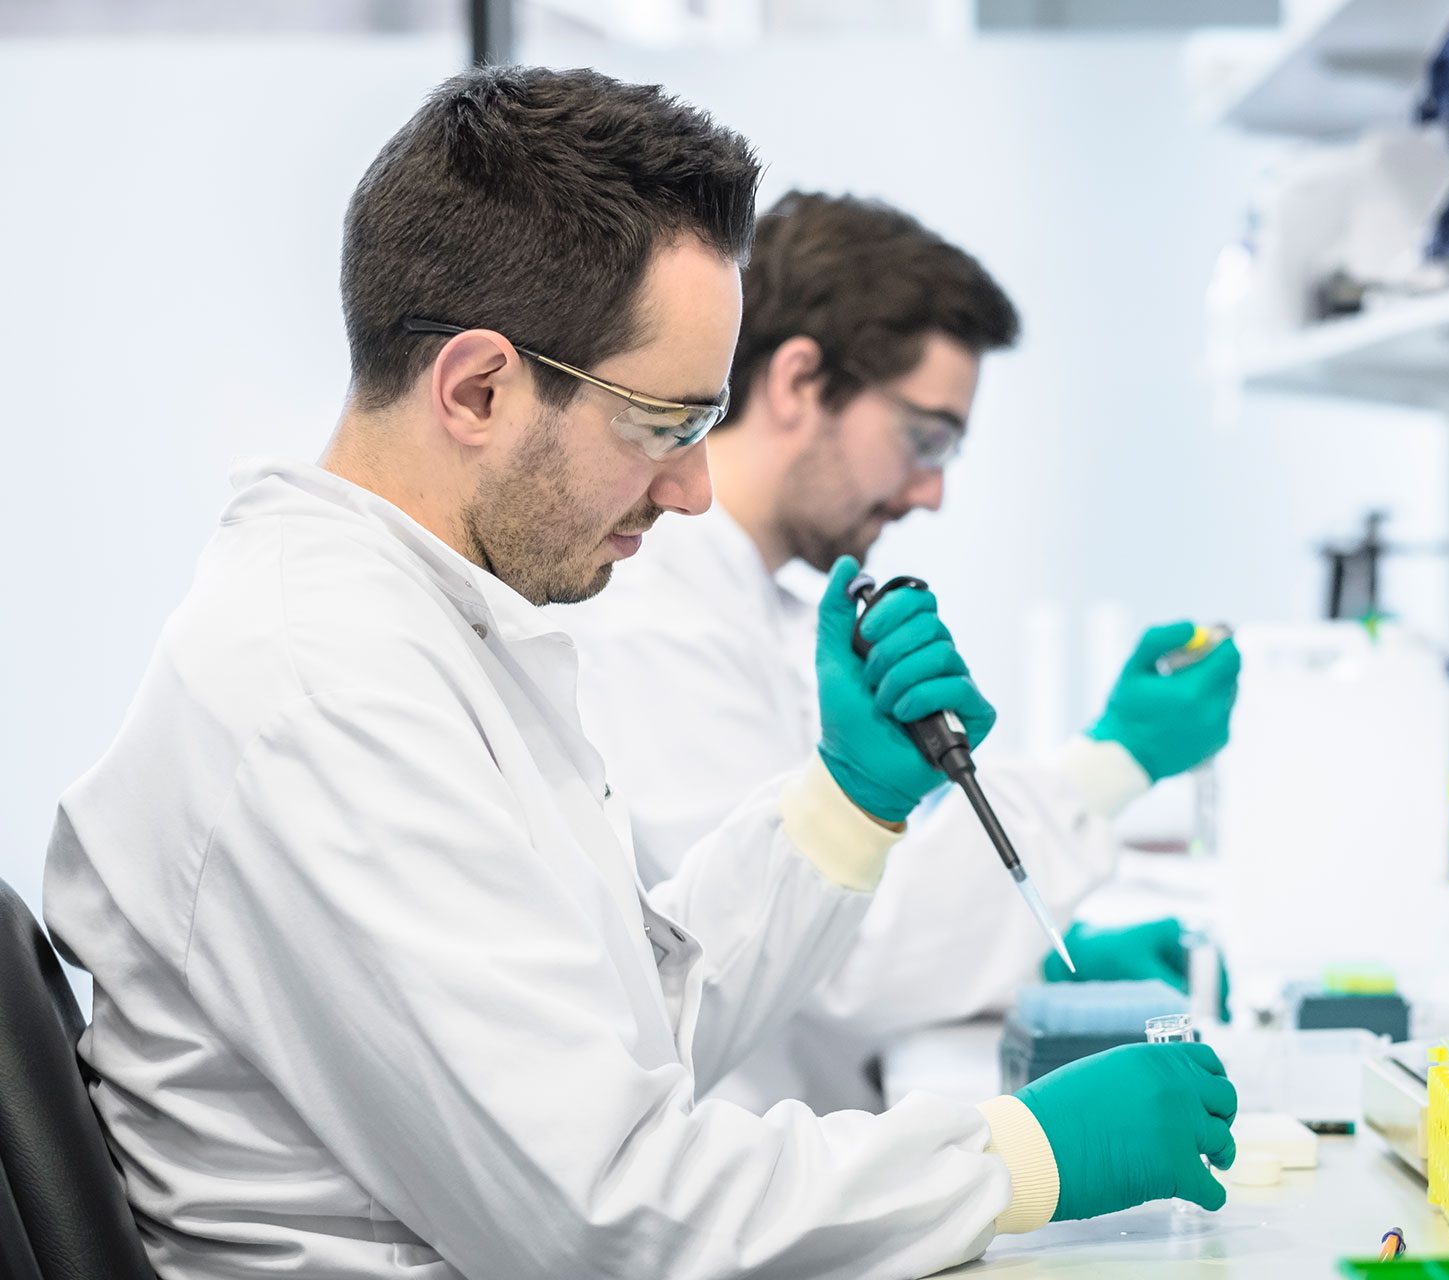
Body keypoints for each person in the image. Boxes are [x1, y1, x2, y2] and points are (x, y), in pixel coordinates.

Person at [41, 67, 1235, 1280]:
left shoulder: (431, 630)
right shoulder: (321, 687)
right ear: (478, 388)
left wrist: (844, 804)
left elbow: (625, 1039)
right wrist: (1011, 1157)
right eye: (663, 424)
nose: (695, 487)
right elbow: (602, 1211)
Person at [565, 191, 1244, 1113]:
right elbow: (844, 961)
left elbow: (851, 901)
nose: (930, 493)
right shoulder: (656, 614)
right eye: (925, 437)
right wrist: (1110, 763)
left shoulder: (752, 608)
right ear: (801, 383)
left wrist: (1037, 966)